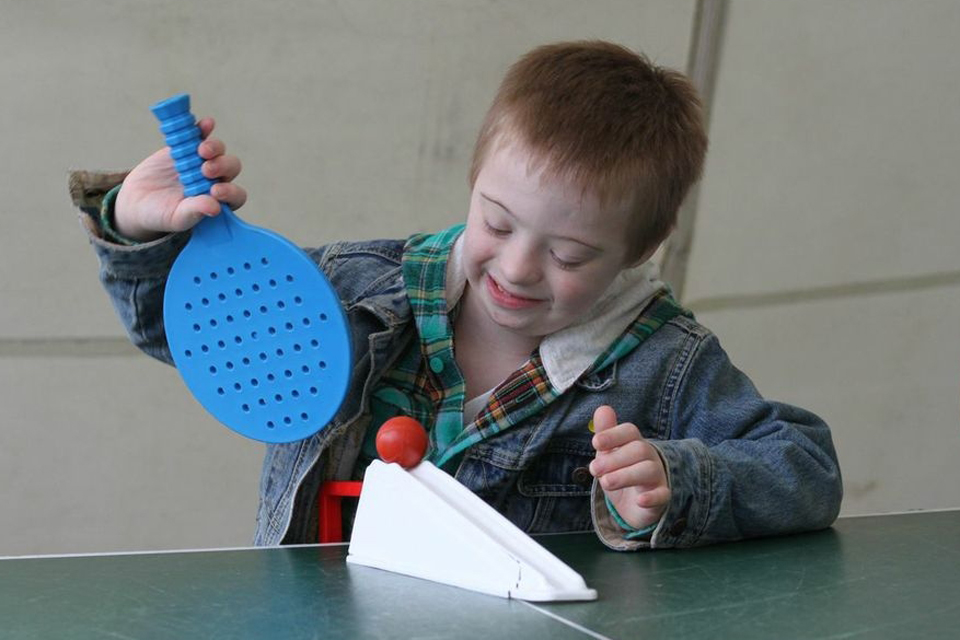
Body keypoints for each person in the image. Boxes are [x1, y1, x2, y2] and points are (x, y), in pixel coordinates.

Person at [72, 41, 841, 550]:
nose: (518, 266)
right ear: (473, 182)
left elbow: (805, 467)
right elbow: (191, 332)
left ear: (640, 250)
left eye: (569, 253)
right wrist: (141, 232)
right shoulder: (357, 285)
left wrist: (678, 480)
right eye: (497, 221)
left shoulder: (667, 364)